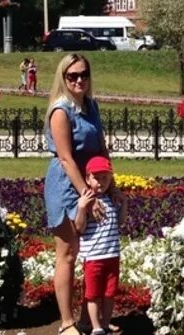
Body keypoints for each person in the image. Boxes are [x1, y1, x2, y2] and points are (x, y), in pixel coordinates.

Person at [43, 53, 123, 335]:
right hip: (68, 186)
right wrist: (86, 197)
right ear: (63, 78)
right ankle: (67, 323)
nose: (79, 80)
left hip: (94, 183)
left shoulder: (91, 106)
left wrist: (111, 185)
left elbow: (102, 148)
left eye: (83, 74)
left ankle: (91, 319)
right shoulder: (61, 111)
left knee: (95, 253)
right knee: (68, 253)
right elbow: (66, 158)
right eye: (72, 76)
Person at [75, 156, 124, 335]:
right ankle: (96, 327)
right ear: (88, 178)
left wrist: (124, 203)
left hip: (112, 255)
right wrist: (81, 208)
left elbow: (120, 222)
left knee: (109, 293)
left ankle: (105, 324)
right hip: (94, 257)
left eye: (105, 177)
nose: (101, 182)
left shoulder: (111, 198)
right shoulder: (87, 201)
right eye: (96, 178)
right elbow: (79, 227)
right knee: (93, 294)